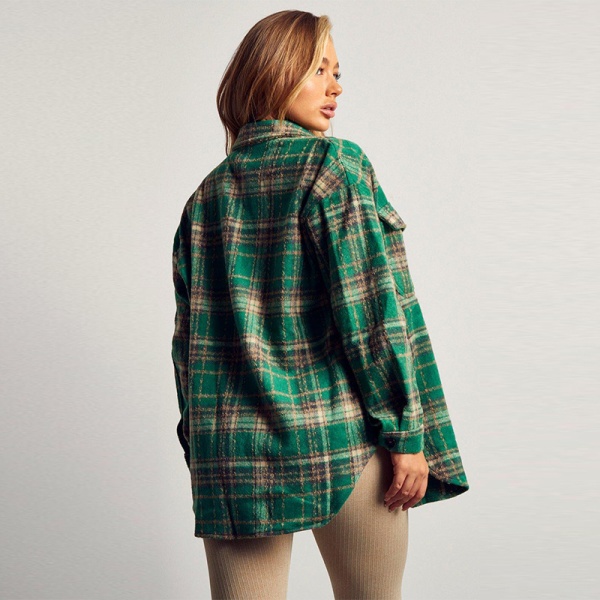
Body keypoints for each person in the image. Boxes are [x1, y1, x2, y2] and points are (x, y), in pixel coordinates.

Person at [171, 9, 469, 599]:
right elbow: (372, 315)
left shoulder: (204, 198)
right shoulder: (334, 167)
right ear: (274, 73)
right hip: (340, 437)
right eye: (319, 70)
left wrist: (201, 447)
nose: (336, 87)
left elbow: (189, 350)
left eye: (337, 72)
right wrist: (407, 434)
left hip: (233, 452)